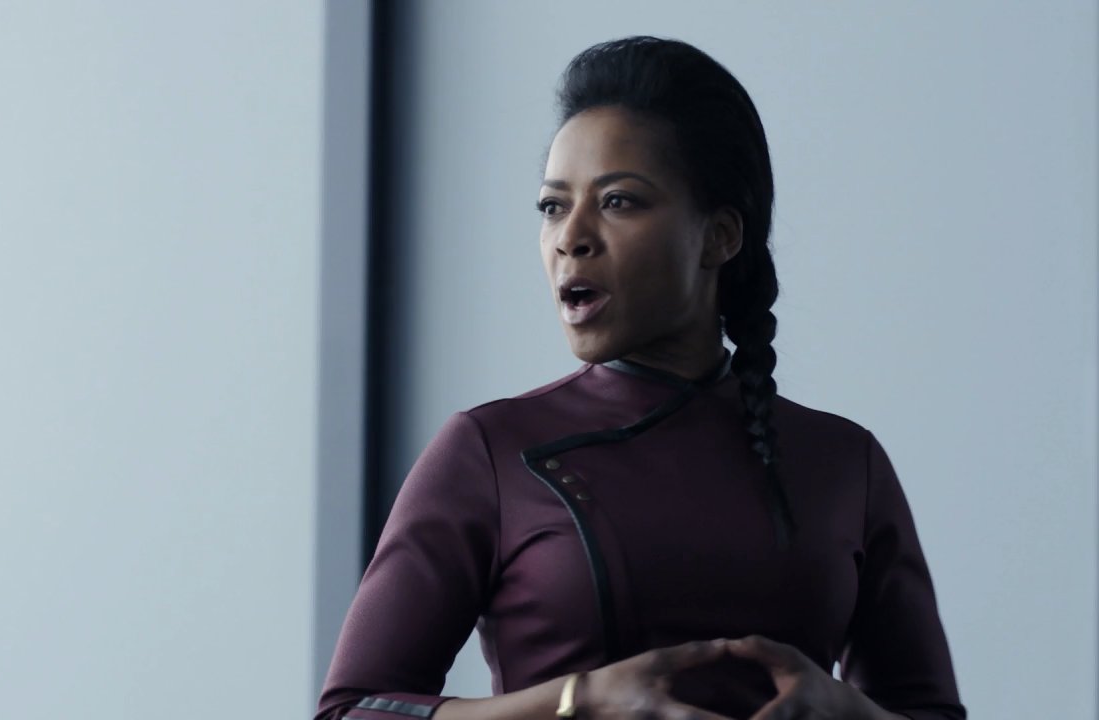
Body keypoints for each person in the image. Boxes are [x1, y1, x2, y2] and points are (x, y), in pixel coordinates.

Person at [315, 36, 965, 720]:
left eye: (618, 201)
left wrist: (844, 709)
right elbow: (350, 711)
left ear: (720, 236)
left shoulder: (846, 463)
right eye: (553, 206)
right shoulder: (488, 451)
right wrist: (580, 699)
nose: (570, 236)